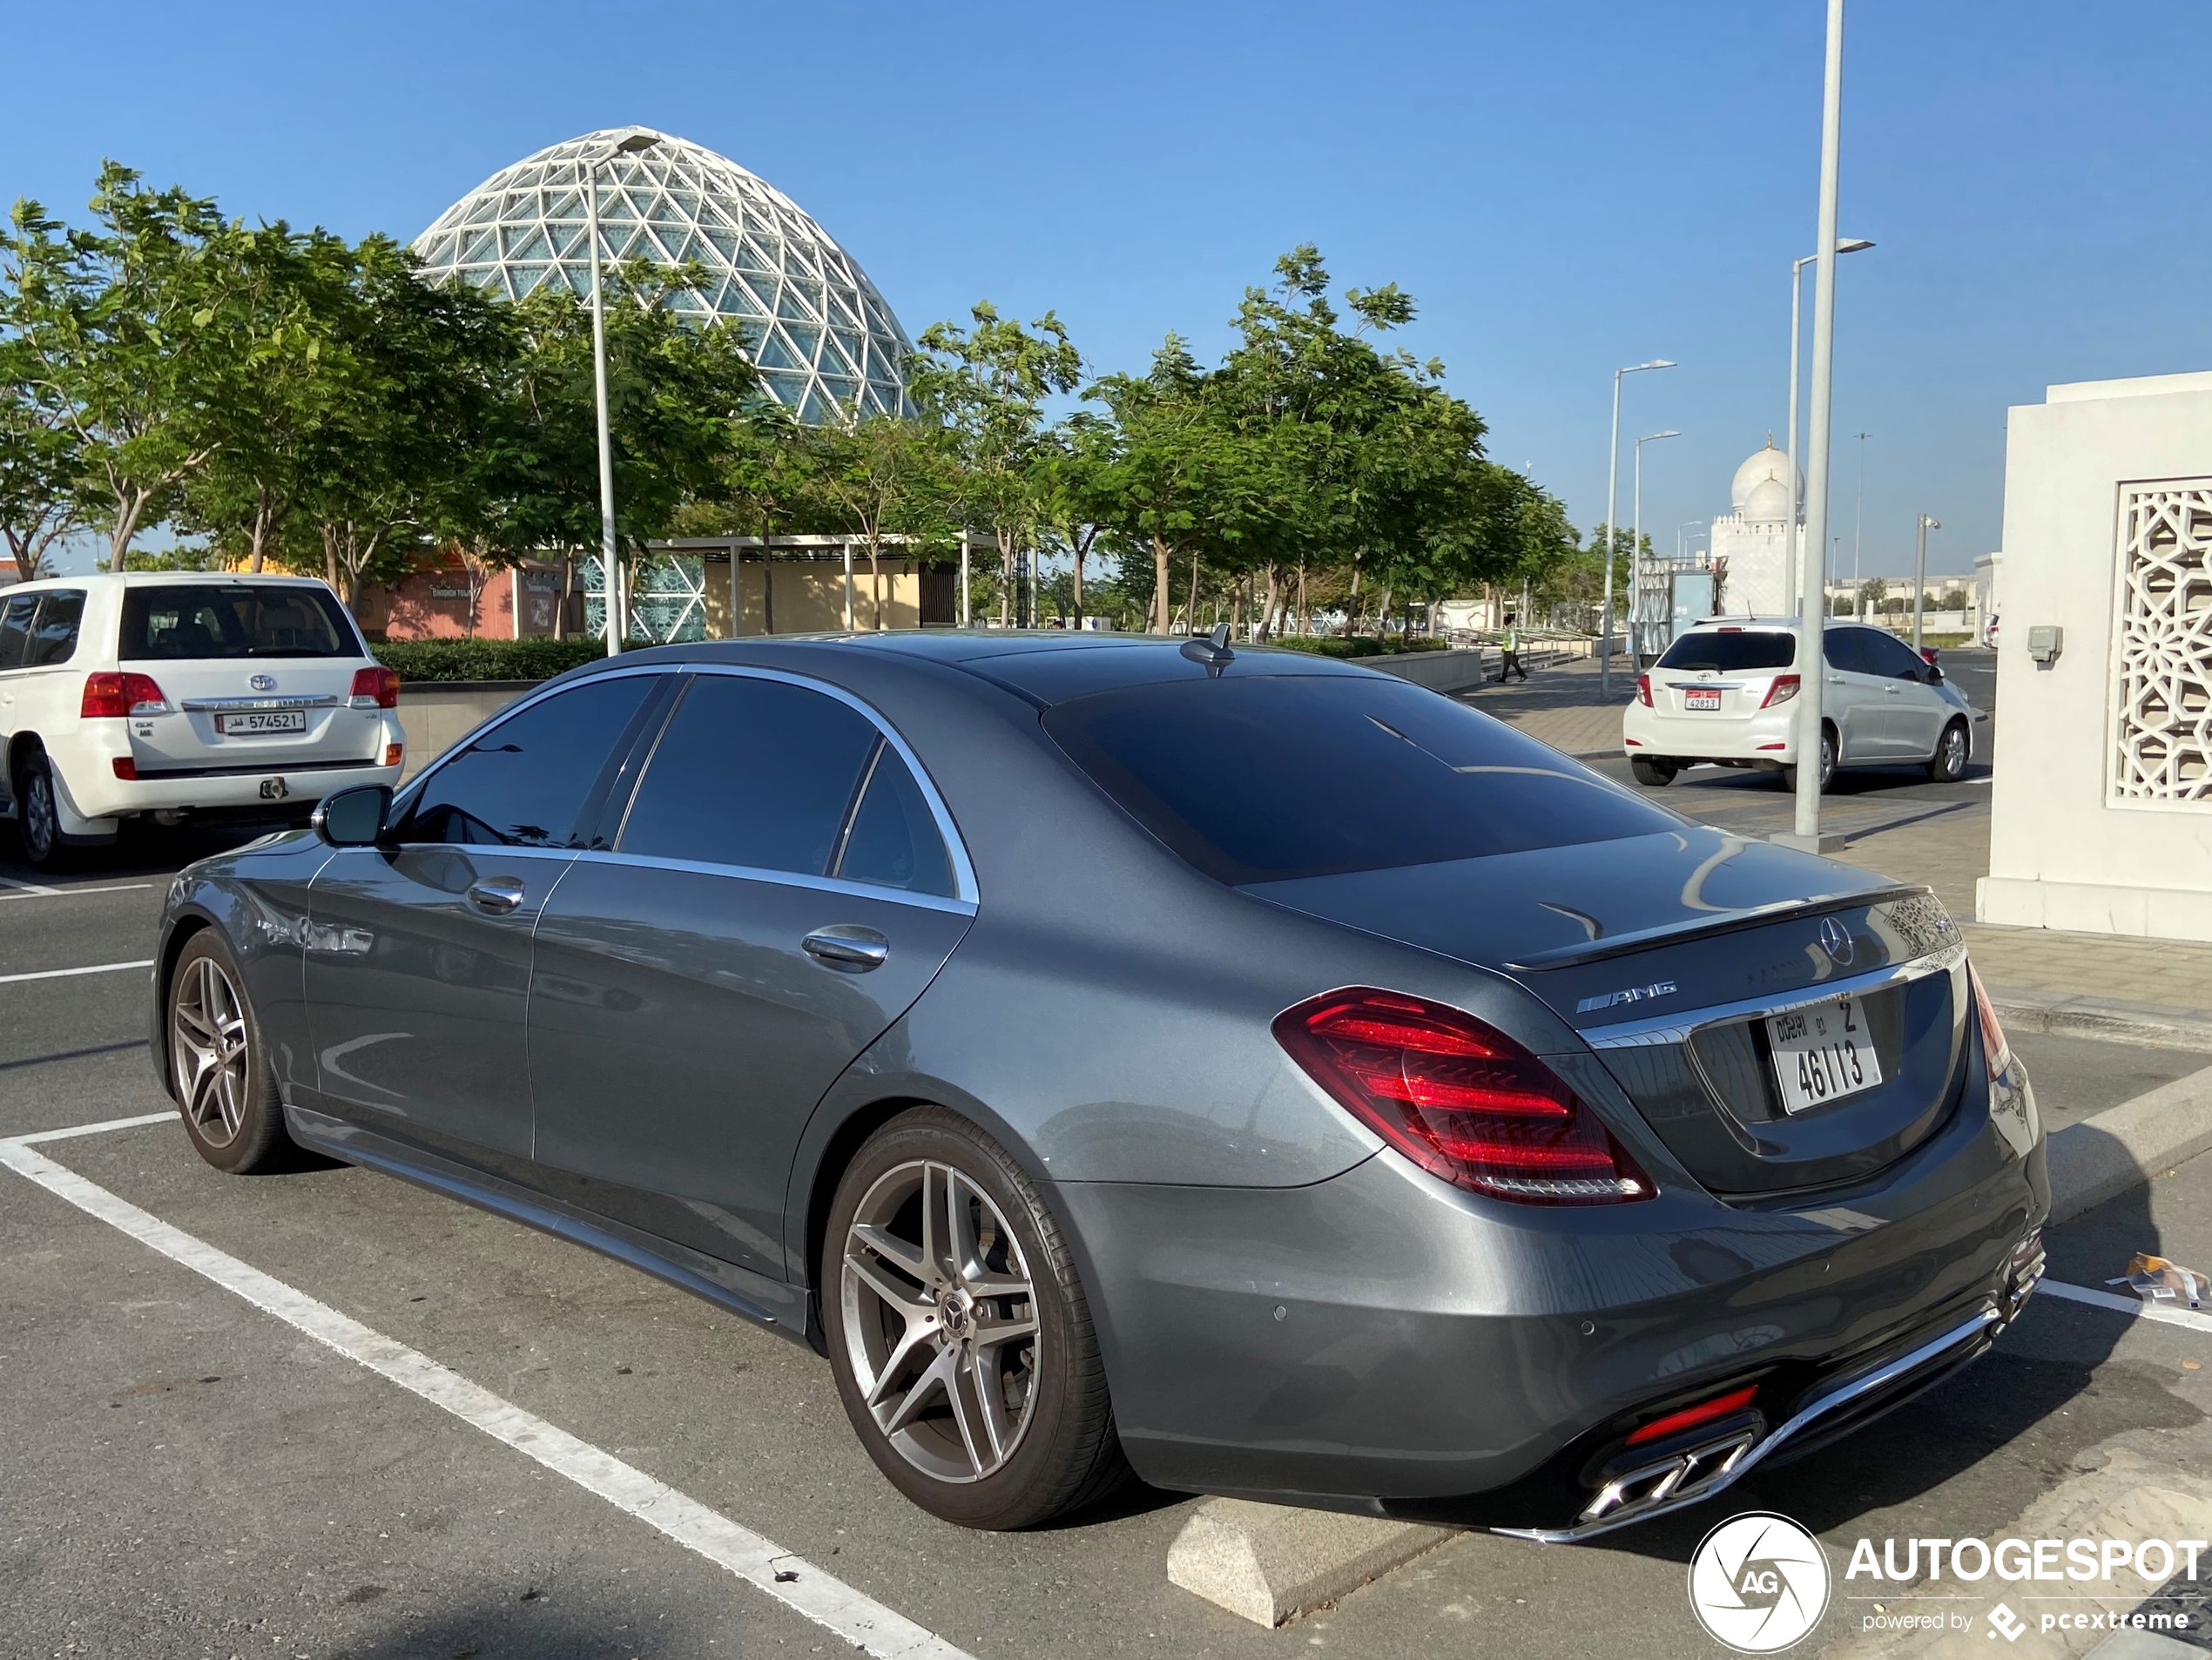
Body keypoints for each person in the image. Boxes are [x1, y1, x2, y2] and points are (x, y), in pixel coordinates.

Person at [1496, 614, 1527, 682]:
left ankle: (1523, 675)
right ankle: (1503, 678)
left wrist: (1513, 649)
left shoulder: (1510, 628)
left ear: (1507, 621)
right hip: (1507, 649)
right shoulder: (1509, 628)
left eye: (1504, 621)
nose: (1503, 622)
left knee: (1514, 664)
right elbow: (1507, 640)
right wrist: (1504, 647)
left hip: (1510, 650)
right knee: (1506, 665)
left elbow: (1513, 639)